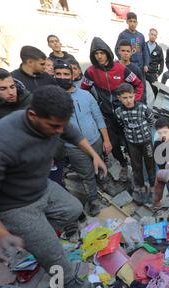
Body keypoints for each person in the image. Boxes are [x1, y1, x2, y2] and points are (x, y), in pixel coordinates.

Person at [0, 85, 107, 288]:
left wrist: (94, 155)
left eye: (61, 125)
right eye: (54, 126)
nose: (59, 131)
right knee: (53, 252)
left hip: (42, 187)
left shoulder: (55, 119)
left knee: (73, 209)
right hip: (14, 206)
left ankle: (36, 240)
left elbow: (74, 134)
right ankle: (69, 283)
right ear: (32, 115)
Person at [81, 37, 144, 182]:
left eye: (102, 52)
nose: (99, 56)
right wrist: (93, 107)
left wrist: (135, 103)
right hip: (107, 114)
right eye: (96, 53)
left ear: (108, 53)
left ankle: (136, 169)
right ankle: (123, 164)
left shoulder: (121, 68)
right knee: (113, 143)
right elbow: (84, 91)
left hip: (125, 113)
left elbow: (138, 84)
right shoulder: (91, 72)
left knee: (130, 141)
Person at [54, 62, 112, 217]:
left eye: (66, 74)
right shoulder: (53, 99)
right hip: (73, 147)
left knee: (100, 164)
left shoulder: (85, 95)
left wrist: (106, 139)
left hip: (95, 140)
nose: (62, 77)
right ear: (53, 75)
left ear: (73, 76)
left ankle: (103, 182)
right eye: (58, 74)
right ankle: (93, 199)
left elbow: (98, 117)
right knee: (86, 174)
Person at [115, 83, 155, 205]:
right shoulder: (118, 112)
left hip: (146, 141)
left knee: (150, 165)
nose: (128, 101)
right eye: (125, 98)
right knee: (136, 166)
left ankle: (154, 187)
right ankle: (141, 187)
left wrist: (144, 132)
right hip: (132, 143)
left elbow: (151, 121)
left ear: (134, 96)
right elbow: (121, 125)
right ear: (119, 98)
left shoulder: (143, 108)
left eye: (130, 97)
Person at [117, 39, 146, 104]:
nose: (126, 53)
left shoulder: (136, 69)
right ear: (119, 51)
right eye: (123, 50)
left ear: (131, 52)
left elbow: (142, 88)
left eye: (128, 51)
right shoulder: (114, 66)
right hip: (116, 103)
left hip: (130, 103)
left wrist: (136, 102)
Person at [145, 28, 164, 97]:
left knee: (155, 91)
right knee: (140, 89)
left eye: (154, 35)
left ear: (156, 37)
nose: (153, 36)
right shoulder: (144, 45)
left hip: (152, 73)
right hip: (143, 72)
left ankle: (157, 106)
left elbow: (162, 62)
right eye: (151, 34)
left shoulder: (159, 49)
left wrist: (159, 73)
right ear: (149, 35)